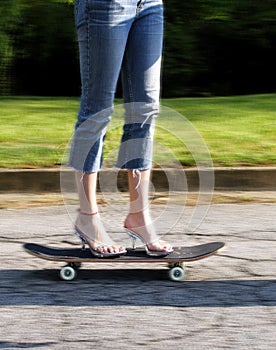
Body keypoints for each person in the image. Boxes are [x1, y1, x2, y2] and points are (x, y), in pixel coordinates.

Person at [69, 0, 173, 258]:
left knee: (145, 108)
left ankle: (138, 215)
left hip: (150, 4)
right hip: (105, 5)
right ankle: (87, 217)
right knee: (97, 110)